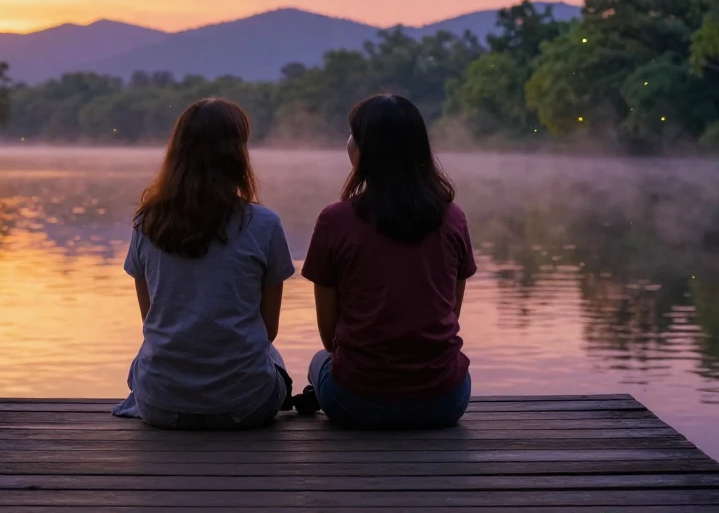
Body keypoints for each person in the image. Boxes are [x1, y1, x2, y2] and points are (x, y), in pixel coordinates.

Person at [113, 97, 297, 429]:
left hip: (161, 406)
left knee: (145, 359)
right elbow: (268, 330)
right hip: (245, 407)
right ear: (238, 156)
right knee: (273, 358)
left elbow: (151, 322)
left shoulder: (147, 224)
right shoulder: (265, 224)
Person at [301, 94, 476, 429]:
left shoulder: (335, 220)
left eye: (353, 134)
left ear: (367, 149)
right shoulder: (453, 218)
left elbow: (329, 338)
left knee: (318, 361)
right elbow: (450, 314)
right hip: (444, 402)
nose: (348, 142)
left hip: (354, 403)